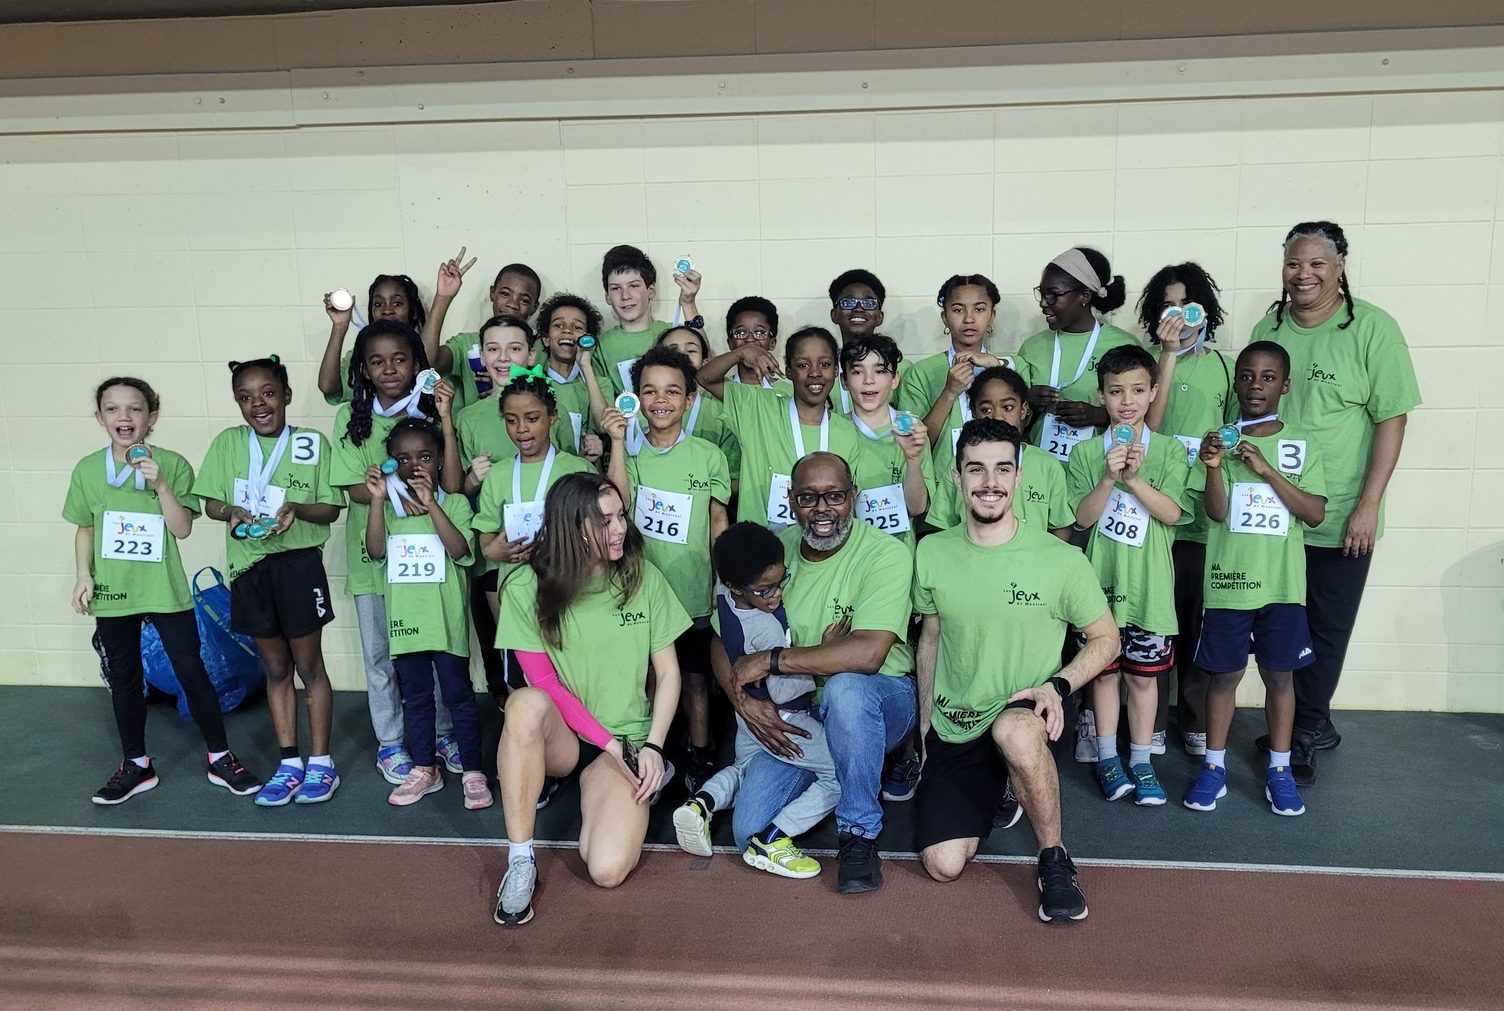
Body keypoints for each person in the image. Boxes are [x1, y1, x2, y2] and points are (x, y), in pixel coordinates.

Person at [914, 418, 1118, 923]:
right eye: (976, 469)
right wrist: (923, 729)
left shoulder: (1061, 559)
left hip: (1028, 706)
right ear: (957, 478)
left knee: (1014, 732)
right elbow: (931, 639)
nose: (990, 482)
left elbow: (1106, 638)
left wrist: (1058, 684)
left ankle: (1054, 859)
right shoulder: (932, 551)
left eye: (1002, 469)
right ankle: (1000, 780)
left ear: (1019, 477)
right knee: (942, 865)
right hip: (957, 719)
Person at [1251, 221, 1421, 783]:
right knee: (1279, 622)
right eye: (1294, 263)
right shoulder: (1269, 325)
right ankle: (1294, 720)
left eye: (1317, 264)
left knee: (1325, 626)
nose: (1303, 275)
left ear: (1340, 266)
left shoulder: (1373, 329)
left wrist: (1368, 505)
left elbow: (1391, 420)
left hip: (1340, 513)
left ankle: (1306, 729)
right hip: (1275, 513)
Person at [492, 473, 689, 926]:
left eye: (620, 515)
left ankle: (623, 784)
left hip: (626, 735)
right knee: (524, 704)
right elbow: (546, 684)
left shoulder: (642, 577)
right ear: (571, 528)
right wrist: (609, 746)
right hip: (569, 737)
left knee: (606, 869)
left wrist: (653, 747)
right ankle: (520, 860)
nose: (619, 528)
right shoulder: (525, 587)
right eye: (605, 521)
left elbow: (670, 673)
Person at [716, 452, 916, 894]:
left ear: (854, 498)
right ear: (790, 500)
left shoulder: (886, 554)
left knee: (846, 691)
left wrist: (771, 660)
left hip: (881, 697)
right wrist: (742, 700)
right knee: (748, 829)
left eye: (834, 496)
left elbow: (867, 655)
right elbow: (719, 637)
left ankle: (859, 832)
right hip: (800, 709)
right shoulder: (773, 551)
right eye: (808, 497)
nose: (822, 509)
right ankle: (845, 765)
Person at [66, 377, 261, 804]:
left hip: (164, 588)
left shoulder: (170, 463)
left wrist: (161, 486)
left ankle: (220, 757)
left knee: (192, 670)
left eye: (134, 409)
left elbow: (183, 528)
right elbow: (85, 528)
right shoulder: (87, 470)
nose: (124, 417)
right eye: (113, 409)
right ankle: (136, 765)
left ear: (151, 416)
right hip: (114, 592)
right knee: (124, 677)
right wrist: (84, 575)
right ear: (100, 418)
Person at [194, 357, 344, 806]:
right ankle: (289, 763)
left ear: (286, 395)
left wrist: (297, 509)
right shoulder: (227, 443)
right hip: (250, 569)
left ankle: (321, 764)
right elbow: (210, 505)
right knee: (275, 669)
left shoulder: (312, 444)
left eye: (267, 392)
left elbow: (332, 508)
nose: (257, 403)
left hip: (298, 565)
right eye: (245, 396)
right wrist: (230, 512)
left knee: (308, 666)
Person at [1189, 342, 1327, 817]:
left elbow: (1314, 513)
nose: (1255, 386)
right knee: (1224, 676)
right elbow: (1216, 511)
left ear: (1284, 385)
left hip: (1281, 586)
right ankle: (1213, 768)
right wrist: (1211, 468)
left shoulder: (1302, 443)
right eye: (1247, 376)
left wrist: (1266, 470)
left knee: (1279, 677)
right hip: (1228, 582)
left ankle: (1281, 770)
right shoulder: (1220, 442)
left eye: (1268, 378)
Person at [1066, 345, 1204, 807]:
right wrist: (1107, 479)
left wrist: (1135, 479)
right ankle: (1108, 757)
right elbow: (1082, 519)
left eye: (1138, 390)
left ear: (1153, 393)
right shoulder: (1087, 453)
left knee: (1144, 679)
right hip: (1098, 588)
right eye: (1116, 391)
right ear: (1102, 396)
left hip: (1149, 589)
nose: (1127, 400)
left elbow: (1172, 514)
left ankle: (1141, 760)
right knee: (1103, 676)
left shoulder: (1168, 451)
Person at [331, 320, 463, 787]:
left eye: (401, 359)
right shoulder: (350, 415)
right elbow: (349, 485)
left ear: (416, 365)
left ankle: (443, 734)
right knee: (381, 657)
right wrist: (389, 489)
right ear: (363, 370)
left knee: (435, 649)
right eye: (377, 361)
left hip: (430, 562)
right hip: (376, 558)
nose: (389, 369)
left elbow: (451, 483)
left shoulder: (432, 406)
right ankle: (391, 742)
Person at [673, 523, 837, 880]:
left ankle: (702, 803)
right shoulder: (765, 629)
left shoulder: (724, 588)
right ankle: (774, 838)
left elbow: (747, 541)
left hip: (745, 719)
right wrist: (823, 653)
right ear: (736, 587)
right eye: (764, 590)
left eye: (781, 581)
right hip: (787, 720)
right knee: (842, 775)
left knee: (743, 768)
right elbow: (782, 689)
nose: (776, 595)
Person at [602, 345, 731, 792]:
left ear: (690, 399)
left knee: (695, 682)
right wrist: (618, 442)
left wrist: (720, 583)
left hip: (693, 592)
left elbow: (718, 521)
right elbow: (615, 502)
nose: (661, 400)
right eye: (650, 391)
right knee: (647, 681)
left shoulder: (709, 454)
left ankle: (699, 754)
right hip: (640, 592)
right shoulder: (631, 455)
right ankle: (648, 754)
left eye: (673, 391)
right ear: (635, 398)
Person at [363, 418, 489, 810]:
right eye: (401, 458)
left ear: (438, 461)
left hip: (445, 624)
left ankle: (472, 770)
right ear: (390, 464)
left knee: (458, 697)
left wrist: (434, 504)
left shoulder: (453, 503)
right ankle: (424, 768)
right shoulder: (390, 509)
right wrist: (378, 501)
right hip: (407, 627)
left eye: (424, 457)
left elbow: (460, 551)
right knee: (415, 699)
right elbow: (377, 552)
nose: (413, 465)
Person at [1140, 262, 1235, 761]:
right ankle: (1149, 719)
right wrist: (1168, 354)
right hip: (1154, 514)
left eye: (1190, 305)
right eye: (1170, 307)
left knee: (1198, 621)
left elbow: (1236, 433)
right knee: (1155, 620)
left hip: (1201, 517)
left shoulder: (1223, 366)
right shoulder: (1151, 367)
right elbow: (1148, 427)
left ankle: (1194, 716)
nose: (1181, 316)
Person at [471, 372, 596, 707]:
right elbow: (485, 540)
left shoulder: (576, 469)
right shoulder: (498, 477)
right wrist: (491, 549)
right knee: (522, 690)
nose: (521, 429)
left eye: (532, 419)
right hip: (519, 608)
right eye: (511, 421)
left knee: (574, 683)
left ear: (552, 418)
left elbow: (596, 533)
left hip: (571, 597)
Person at [697, 326, 863, 530]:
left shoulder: (846, 432)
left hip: (819, 546)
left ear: (836, 371)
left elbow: (847, 500)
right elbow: (705, 378)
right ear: (789, 371)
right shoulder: (758, 408)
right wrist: (741, 352)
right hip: (759, 548)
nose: (815, 373)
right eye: (803, 365)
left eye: (825, 364)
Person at [1016, 247, 1138, 463]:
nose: (1044, 303)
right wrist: (1027, 402)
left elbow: (1146, 414)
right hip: (1042, 470)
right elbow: (1009, 413)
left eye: (1053, 294)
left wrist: (1099, 416)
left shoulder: (1123, 345)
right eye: (1042, 293)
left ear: (1084, 295)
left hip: (1101, 467)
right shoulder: (1032, 347)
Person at [924, 366, 1074, 538]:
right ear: (973, 413)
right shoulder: (959, 463)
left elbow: (1061, 524)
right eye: (986, 409)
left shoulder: (1048, 465)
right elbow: (942, 525)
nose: (998, 416)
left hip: (1032, 562)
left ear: (1024, 409)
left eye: (1008, 407)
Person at [841, 335, 934, 552]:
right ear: (843, 381)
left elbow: (917, 507)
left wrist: (912, 459)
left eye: (880, 371)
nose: (868, 380)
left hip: (898, 552)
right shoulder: (834, 429)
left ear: (895, 379)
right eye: (857, 371)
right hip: (847, 553)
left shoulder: (911, 428)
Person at [429, 257, 543, 411]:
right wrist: (444, 297)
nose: (513, 304)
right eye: (504, 294)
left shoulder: (541, 350)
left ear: (534, 308)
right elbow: (429, 363)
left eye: (524, 301)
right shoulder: (465, 344)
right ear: (492, 293)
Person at [590, 244, 703, 398]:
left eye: (634, 286)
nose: (625, 296)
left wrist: (689, 303)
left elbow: (704, 369)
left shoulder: (672, 332)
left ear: (651, 290)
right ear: (607, 296)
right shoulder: (599, 346)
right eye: (616, 288)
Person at [532, 292, 605, 461]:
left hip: (586, 478)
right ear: (546, 339)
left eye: (577, 327)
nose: (567, 330)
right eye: (558, 325)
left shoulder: (600, 384)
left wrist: (585, 364)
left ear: (589, 339)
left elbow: (603, 425)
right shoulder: (533, 385)